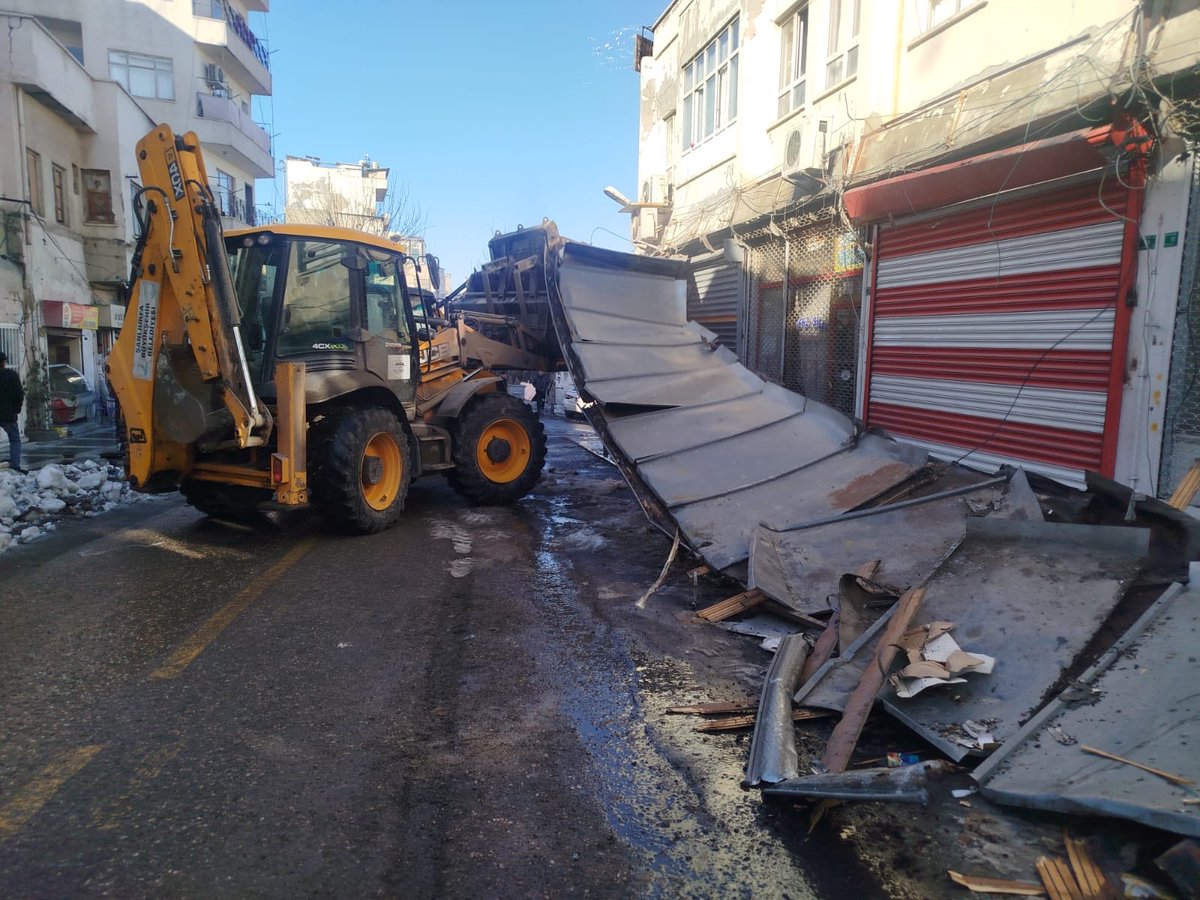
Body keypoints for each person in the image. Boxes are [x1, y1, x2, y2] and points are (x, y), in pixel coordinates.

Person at [0, 351, 25, 473]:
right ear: (4, 362)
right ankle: (15, 464)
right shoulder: (11, 375)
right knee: (14, 439)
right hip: (8, 414)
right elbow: (19, 394)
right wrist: (17, 409)